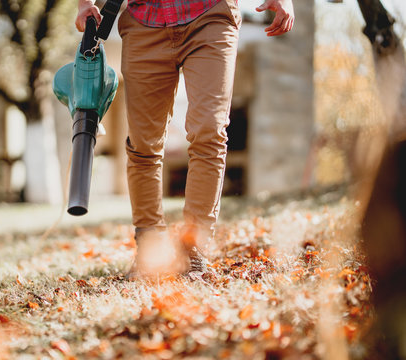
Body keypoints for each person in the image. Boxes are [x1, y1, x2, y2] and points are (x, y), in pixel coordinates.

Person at [75, 0, 295, 278]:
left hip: (209, 16)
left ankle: (193, 251)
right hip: (144, 21)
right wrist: (84, 4)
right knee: (143, 144)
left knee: (209, 132)